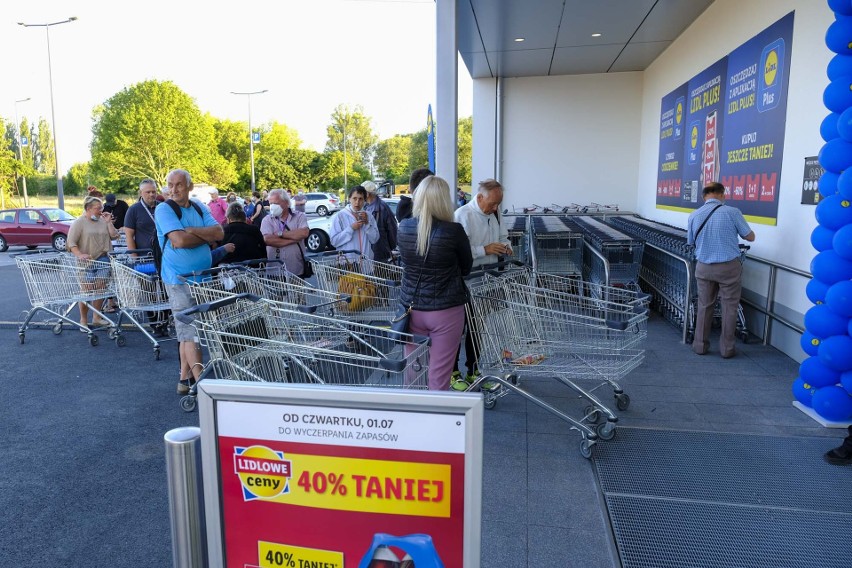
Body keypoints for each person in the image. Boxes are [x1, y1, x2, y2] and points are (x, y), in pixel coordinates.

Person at [397, 175, 473, 390]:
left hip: (411, 309)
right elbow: (466, 268)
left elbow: (406, 262)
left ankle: (412, 417)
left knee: (412, 371)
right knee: (439, 377)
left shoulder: (404, 227)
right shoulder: (454, 231)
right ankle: (438, 420)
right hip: (446, 311)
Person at [155, 169, 224, 394]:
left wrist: (193, 231)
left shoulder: (198, 207)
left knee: (190, 331)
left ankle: (184, 379)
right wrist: (203, 235)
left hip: (201, 277)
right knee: (190, 331)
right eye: (170, 185)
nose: (173, 190)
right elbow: (179, 240)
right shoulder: (164, 209)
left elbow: (220, 233)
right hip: (178, 279)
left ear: (189, 186)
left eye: (179, 185)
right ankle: (201, 385)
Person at [453, 178, 512, 387]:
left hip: (488, 279)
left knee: (478, 328)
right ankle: (453, 373)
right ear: (479, 197)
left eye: (498, 204)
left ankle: (473, 369)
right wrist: (484, 250)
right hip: (467, 281)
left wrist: (506, 246)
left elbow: (504, 236)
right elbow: (456, 252)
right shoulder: (462, 216)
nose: (495, 208)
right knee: (459, 328)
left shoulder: (494, 213)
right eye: (492, 203)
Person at [687, 182, 755, 359]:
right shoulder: (733, 212)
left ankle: (700, 345)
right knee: (729, 308)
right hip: (728, 267)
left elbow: (690, 242)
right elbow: (750, 236)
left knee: (704, 306)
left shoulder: (694, 215)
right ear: (722, 194)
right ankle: (727, 349)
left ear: (704, 197)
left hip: (703, 267)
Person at [123, 178, 170, 336]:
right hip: (144, 258)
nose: (151, 195)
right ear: (141, 193)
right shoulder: (134, 210)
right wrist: (134, 257)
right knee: (149, 291)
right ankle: (155, 324)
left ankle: (165, 322)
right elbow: (129, 235)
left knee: (165, 290)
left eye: (153, 191)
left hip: (164, 257)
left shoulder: (162, 207)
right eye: (148, 192)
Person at [67, 195, 120, 330]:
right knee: (87, 291)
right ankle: (83, 320)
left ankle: (96, 317)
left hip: (103, 259)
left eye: (102, 207)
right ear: (88, 209)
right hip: (87, 261)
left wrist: (109, 222)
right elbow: (71, 242)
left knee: (101, 289)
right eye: (98, 208)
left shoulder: (103, 220)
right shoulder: (79, 222)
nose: (101, 210)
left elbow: (115, 235)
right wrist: (79, 254)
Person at [260, 189, 310, 275]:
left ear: (286, 203)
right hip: (274, 271)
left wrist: (280, 234)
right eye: (270, 203)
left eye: (275, 203)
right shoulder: (267, 220)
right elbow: (268, 240)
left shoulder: (299, 216)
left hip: (295, 269)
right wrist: (294, 239)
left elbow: (304, 233)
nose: (272, 206)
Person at [330, 185, 379, 260]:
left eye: (360, 199)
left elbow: (374, 239)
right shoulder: (340, 216)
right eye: (354, 198)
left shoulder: (369, 216)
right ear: (349, 199)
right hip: (348, 264)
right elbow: (334, 241)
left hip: (366, 264)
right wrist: (351, 228)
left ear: (364, 200)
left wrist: (367, 224)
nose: (357, 202)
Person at [363, 180, 398, 262]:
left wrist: (389, 249)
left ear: (367, 194)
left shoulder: (382, 207)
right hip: (371, 251)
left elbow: (392, 229)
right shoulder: (366, 207)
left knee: (379, 273)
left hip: (380, 252)